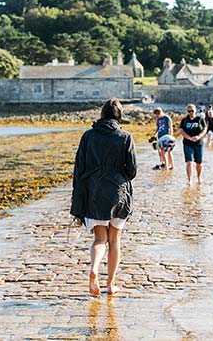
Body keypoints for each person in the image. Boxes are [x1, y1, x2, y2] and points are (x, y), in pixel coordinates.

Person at [71, 98, 137, 297]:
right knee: (115, 240)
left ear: (102, 114)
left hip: (94, 191)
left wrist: (78, 194)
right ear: (119, 116)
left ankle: (94, 270)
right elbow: (132, 171)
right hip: (118, 191)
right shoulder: (125, 136)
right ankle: (110, 284)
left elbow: (79, 168)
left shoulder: (88, 136)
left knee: (100, 238)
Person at [179, 104, 207, 185]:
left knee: (199, 163)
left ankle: (199, 177)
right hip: (188, 143)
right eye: (189, 111)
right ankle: (189, 180)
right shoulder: (184, 120)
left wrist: (198, 136)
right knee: (189, 162)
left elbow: (205, 129)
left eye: (192, 111)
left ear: (195, 111)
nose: (190, 112)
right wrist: (189, 138)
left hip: (199, 143)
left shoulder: (200, 119)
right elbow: (181, 131)